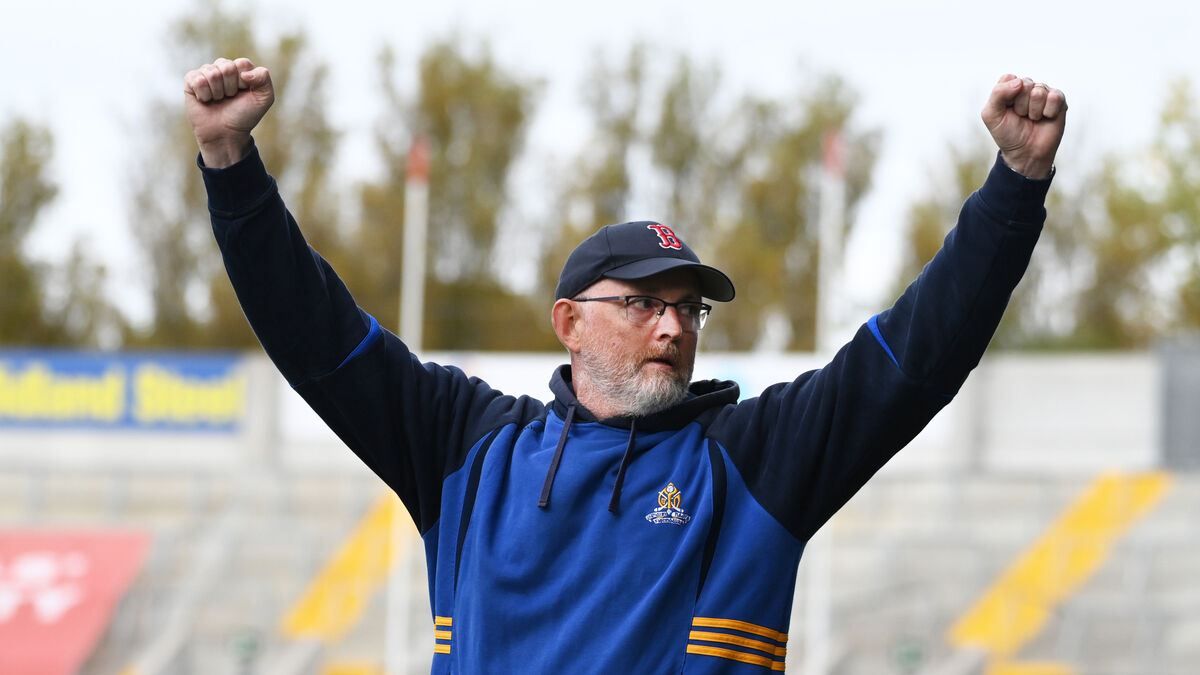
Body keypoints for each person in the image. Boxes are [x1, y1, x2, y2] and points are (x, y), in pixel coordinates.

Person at [185, 57, 1065, 673]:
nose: (674, 326)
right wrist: (230, 164)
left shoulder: (755, 461)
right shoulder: (466, 449)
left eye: (689, 308)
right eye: (644, 303)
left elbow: (915, 358)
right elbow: (316, 336)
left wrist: (1014, 185)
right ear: (569, 323)